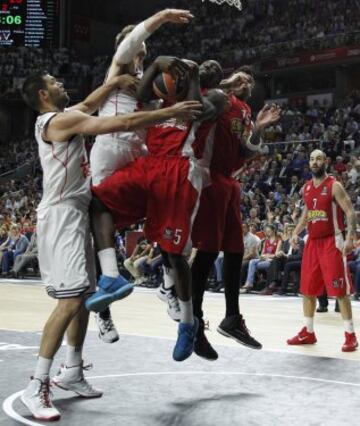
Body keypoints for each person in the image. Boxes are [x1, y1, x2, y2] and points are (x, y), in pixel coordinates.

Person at [20, 70, 202, 421]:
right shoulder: (57, 121)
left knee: (85, 297)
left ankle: (72, 371)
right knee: (70, 300)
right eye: (54, 82)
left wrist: (116, 84)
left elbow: (90, 103)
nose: (61, 82)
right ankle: (37, 385)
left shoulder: (66, 114)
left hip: (76, 212)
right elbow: (120, 122)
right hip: (62, 217)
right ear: (43, 95)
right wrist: (167, 112)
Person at [92, 57, 226, 362]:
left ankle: (188, 324)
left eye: (206, 68)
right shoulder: (159, 102)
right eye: (198, 66)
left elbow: (195, 107)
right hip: (149, 165)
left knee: (174, 253)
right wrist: (155, 65)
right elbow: (140, 96)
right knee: (99, 198)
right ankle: (111, 274)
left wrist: (191, 75)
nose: (201, 68)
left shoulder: (214, 97)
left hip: (181, 171)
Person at [158, 64, 281, 360]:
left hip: (229, 181)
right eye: (243, 77)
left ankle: (232, 318)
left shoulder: (243, 111)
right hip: (208, 178)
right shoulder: (214, 96)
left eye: (251, 80)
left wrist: (260, 128)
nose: (248, 82)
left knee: (235, 249)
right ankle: (194, 321)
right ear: (230, 80)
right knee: (208, 252)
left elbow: (245, 151)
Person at [90, 9, 194, 340]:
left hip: (137, 154)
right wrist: (162, 17)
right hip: (109, 151)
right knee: (97, 221)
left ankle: (167, 282)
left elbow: (154, 110)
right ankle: (103, 309)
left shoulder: (141, 84)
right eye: (139, 51)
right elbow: (135, 39)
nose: (141, 56)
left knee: (165, 203)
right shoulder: (118, 68)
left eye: (144, 55)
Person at [287, 149, 358, 352]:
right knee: (308, 290)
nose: (315, 162)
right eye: (311, 159)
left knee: (340, 292)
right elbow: (306, 214)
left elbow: (350, 211)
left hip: (332, 242)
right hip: (312, 243)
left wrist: (350, 237)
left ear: (325, 161)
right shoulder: (307, 188)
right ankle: (308, 332)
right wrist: (296, 232)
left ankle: (350, 335)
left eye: (318, 158)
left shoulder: (334, 186)